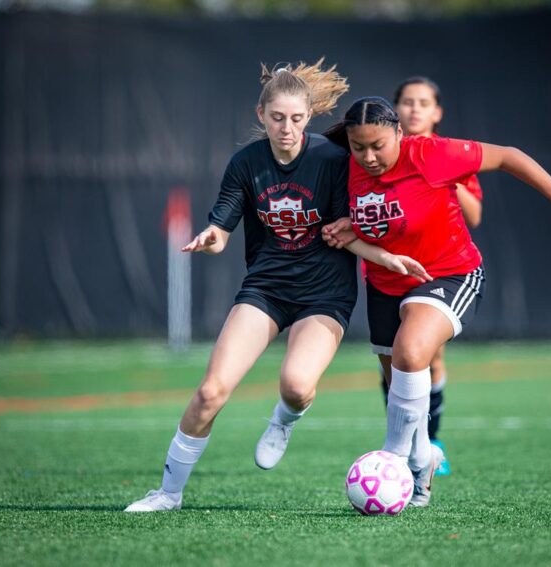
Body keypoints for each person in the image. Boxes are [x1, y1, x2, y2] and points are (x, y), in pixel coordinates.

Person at [125, 62, 429, 512]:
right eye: (277, 118)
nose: (286, 128)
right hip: (266, 289)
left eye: (296, 119)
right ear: (261, 114)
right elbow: (223, 225)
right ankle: (167, 494)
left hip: (325, 295)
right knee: (211, 391)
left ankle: (283, 420)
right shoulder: (245, 163)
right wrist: (213, 238)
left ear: (308, 118)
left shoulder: (331, 160)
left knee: (296, 386)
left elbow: (350, 229)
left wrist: (386, 257)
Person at [323, 96, 551, 507]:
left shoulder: (429, 154)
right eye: (360, 148)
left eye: (378, 145)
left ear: (398, 132)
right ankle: (422, 457)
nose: (369, 156)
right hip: (383, 282)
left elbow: (508, 156)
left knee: (411, 352)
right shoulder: (346, 164)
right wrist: (347, 224)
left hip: (450, 273)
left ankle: (394, 460)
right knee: (397, 382)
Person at [384, 76, 485, 476]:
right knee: (392, 358)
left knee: (425, 353)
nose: (414, 109)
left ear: (436, 112)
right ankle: (403, 440)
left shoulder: (448, 156)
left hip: (436, 270)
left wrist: (443, 176)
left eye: (423, 102)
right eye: (407, 102)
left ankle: (430, 439)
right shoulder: (378, 155)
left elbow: (474, 215)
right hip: (388, 268)